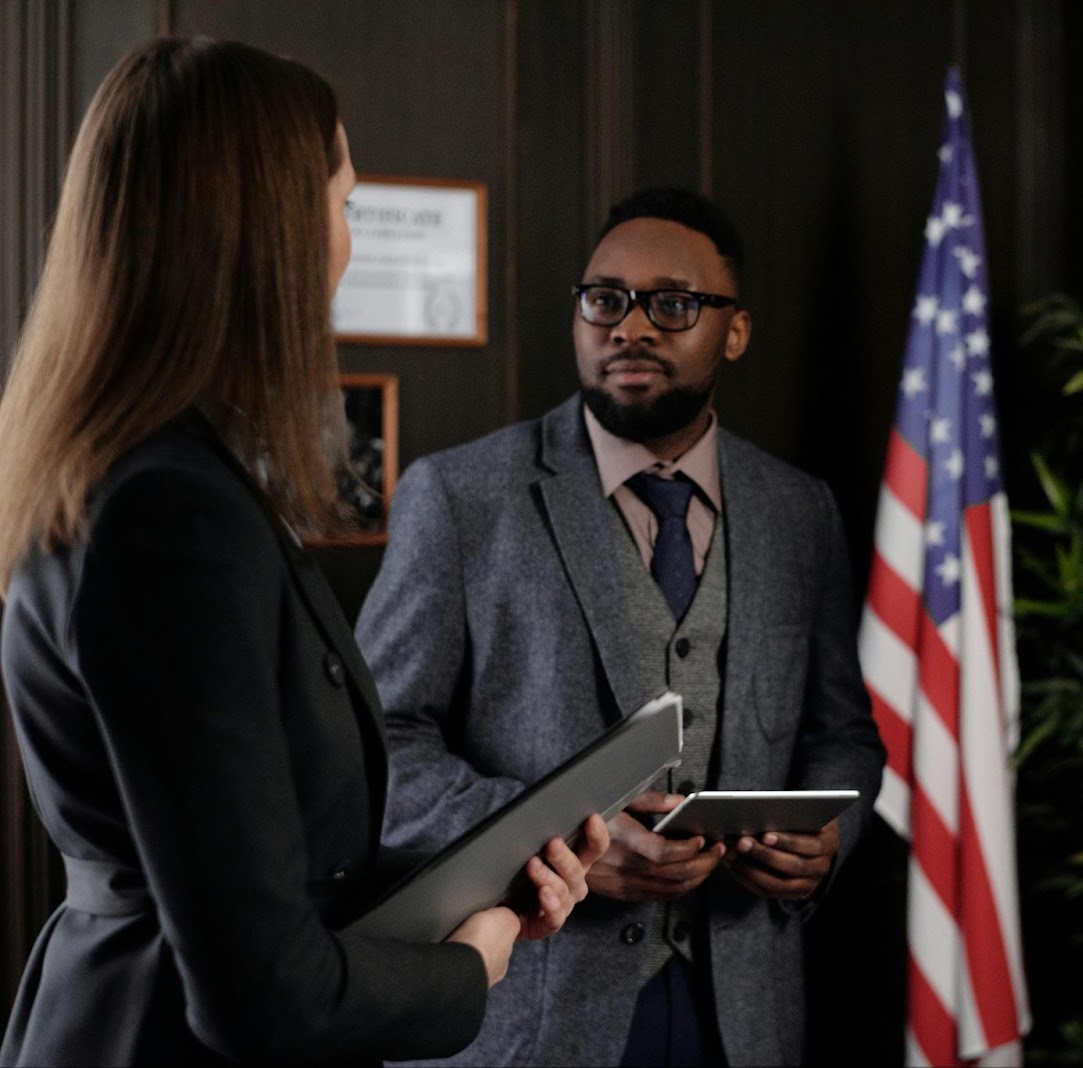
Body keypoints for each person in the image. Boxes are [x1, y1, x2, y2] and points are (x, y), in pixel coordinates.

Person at [0, 38, 607, 1066]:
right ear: (267, 232)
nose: (346, 242)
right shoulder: (169, 519)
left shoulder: (160, 477)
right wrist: (473, 962)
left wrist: (479, 880)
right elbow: (259, 993)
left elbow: (258, 863)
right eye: (344, 206)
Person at [356, 186, 887, 1066]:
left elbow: (845, 738)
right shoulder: (460, 498)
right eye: (605, 299)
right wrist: (554, 845)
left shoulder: (801, 513)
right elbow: (378, 749)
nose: (629, 328)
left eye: (672, 305)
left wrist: (828, 840)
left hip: (742, 1016)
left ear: (737, 331)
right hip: (528, 1018)